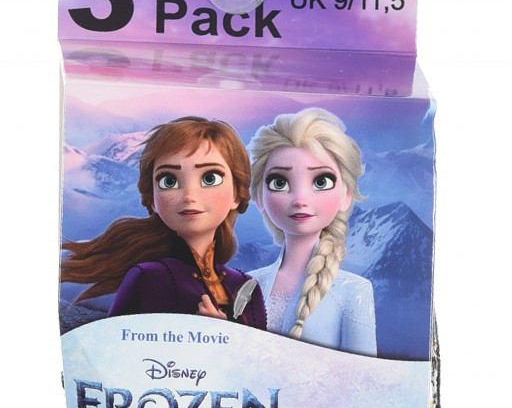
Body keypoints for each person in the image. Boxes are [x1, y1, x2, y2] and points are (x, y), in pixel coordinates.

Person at [61, 116, 267, 329]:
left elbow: (266, 350)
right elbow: (115, 345)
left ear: (236, 194)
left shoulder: (246, 286)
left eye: (210, 178)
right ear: (152, 199)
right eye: (169, 181)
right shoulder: (149, 278)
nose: (189, 195)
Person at [248, 107, 376, 354]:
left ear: (346, 195)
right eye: (279, 182)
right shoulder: (248, 285)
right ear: (258, 198)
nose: (300, 200)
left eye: (321, 181)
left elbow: (365, 373)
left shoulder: (353, 291)